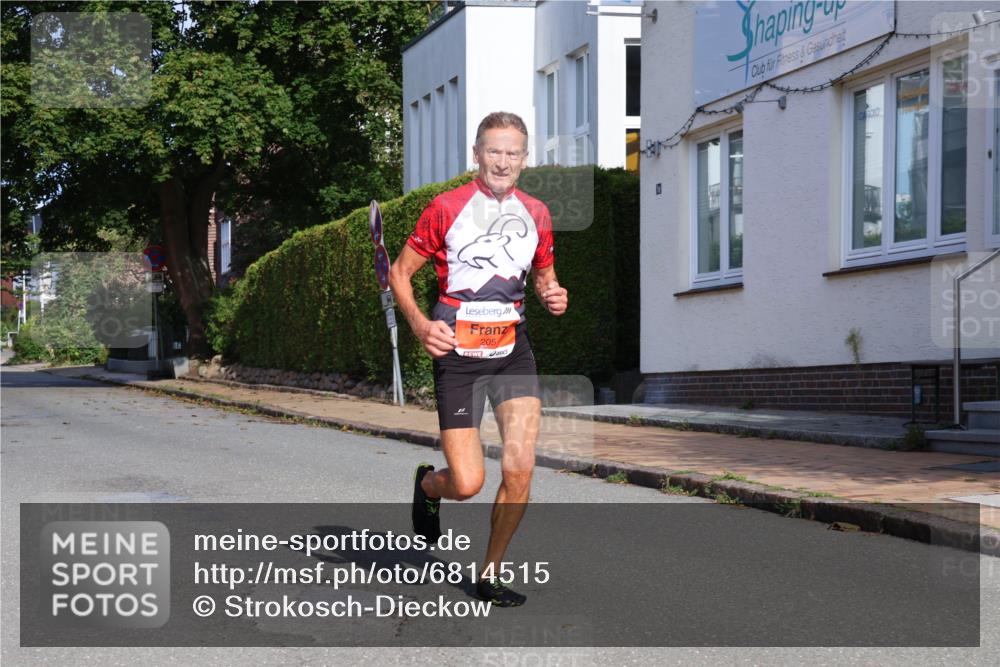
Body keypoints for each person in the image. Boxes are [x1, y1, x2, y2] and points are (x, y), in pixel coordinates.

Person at [389, 111, 568, 607]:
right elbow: (400, 274)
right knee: (467, 482)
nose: (503, 161)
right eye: (494, 151)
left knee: (519, 469)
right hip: (459, 356)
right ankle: (428, 485)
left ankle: (489, 573)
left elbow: (544, 277)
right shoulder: (445, 208)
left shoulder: (537, 213)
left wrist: (554, 294)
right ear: (476, 154)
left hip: (512, 354)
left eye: (513, 153)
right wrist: (422, 326)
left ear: (525, 159)